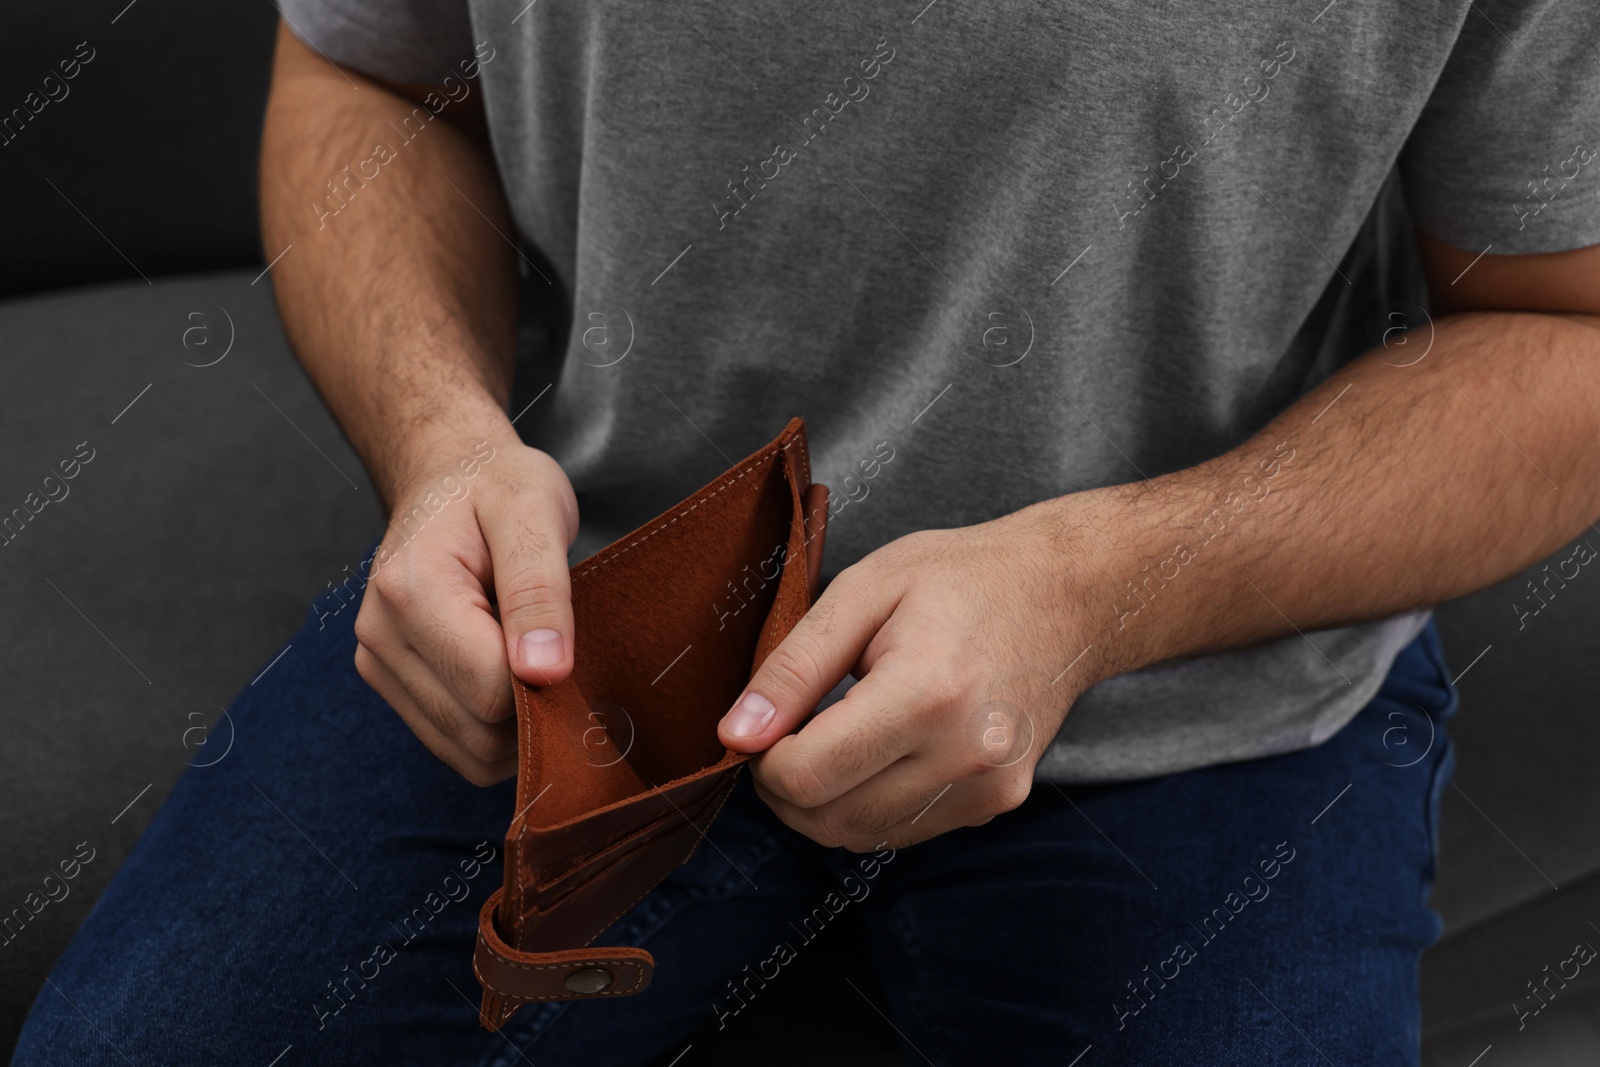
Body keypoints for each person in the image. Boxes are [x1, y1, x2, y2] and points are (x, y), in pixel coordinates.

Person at [15, 2, 1600, 1063]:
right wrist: (440, 444)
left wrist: (1105, 590)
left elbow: (1567, 335)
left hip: (1197, 697)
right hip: (578, 638)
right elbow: (365, 76)